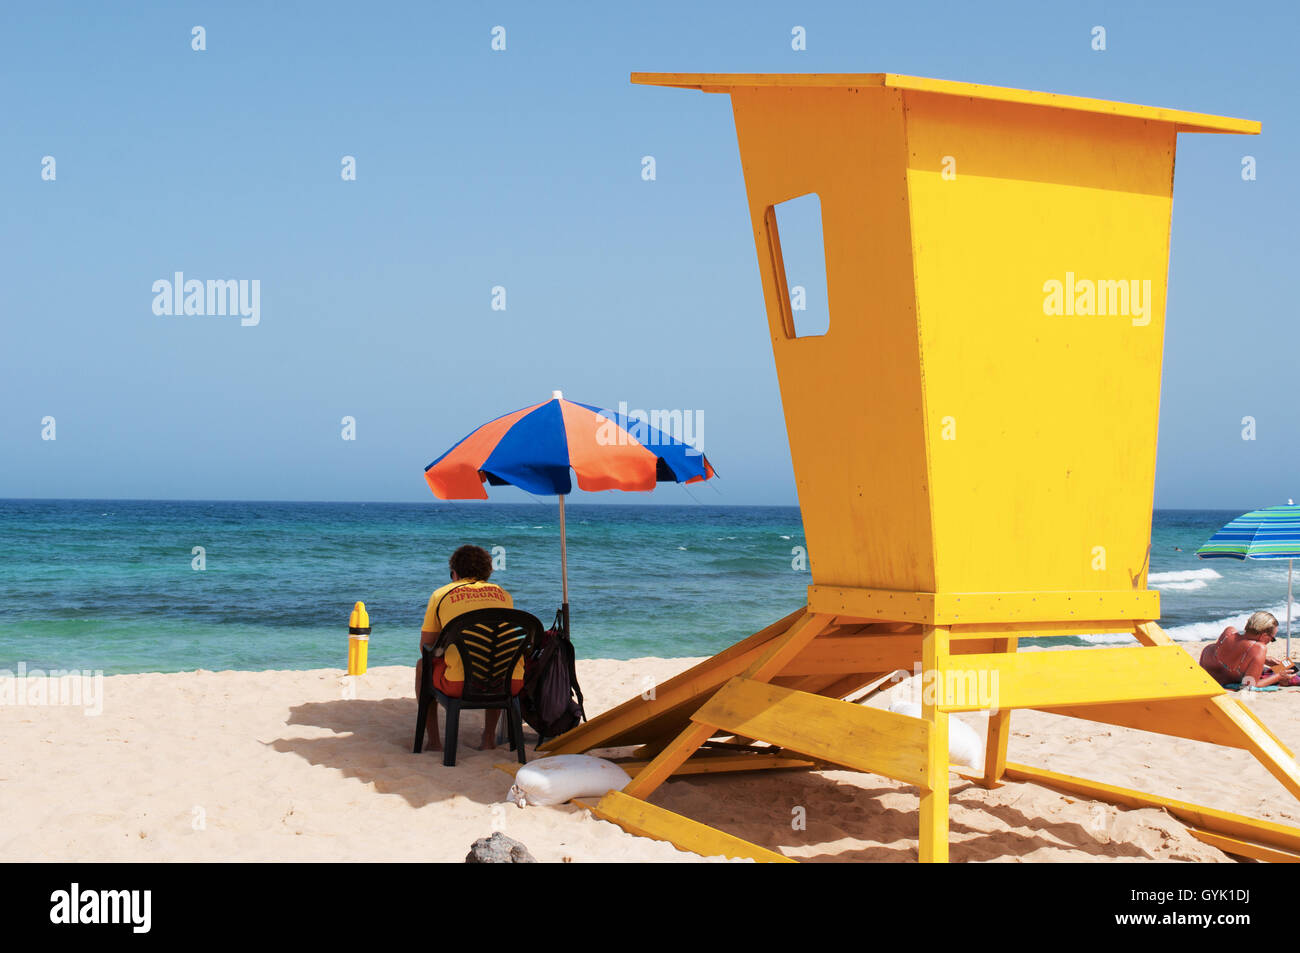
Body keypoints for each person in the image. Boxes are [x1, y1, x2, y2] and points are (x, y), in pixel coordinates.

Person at [414, 544, 524, 752]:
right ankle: (488, 738)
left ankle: (435, 743)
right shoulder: (503, 595)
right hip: (508, 682)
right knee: (498, 661)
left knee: (423, 666)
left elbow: (426, 647)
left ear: (454, 573)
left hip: (460, 684)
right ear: (488, 573)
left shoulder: (441, 595)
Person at [1199, 611, 1298, 688]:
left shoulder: (1229, 632)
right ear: (1263, 636)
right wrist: (1279, 676)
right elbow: (1250, 685)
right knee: (1291, 669)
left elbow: (1234, 653)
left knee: (1284, 665)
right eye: (1272, 639)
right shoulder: (1259, 648)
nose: (1270, 641)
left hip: (1207, 672)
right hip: (1225, 680)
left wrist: (1263, 659)